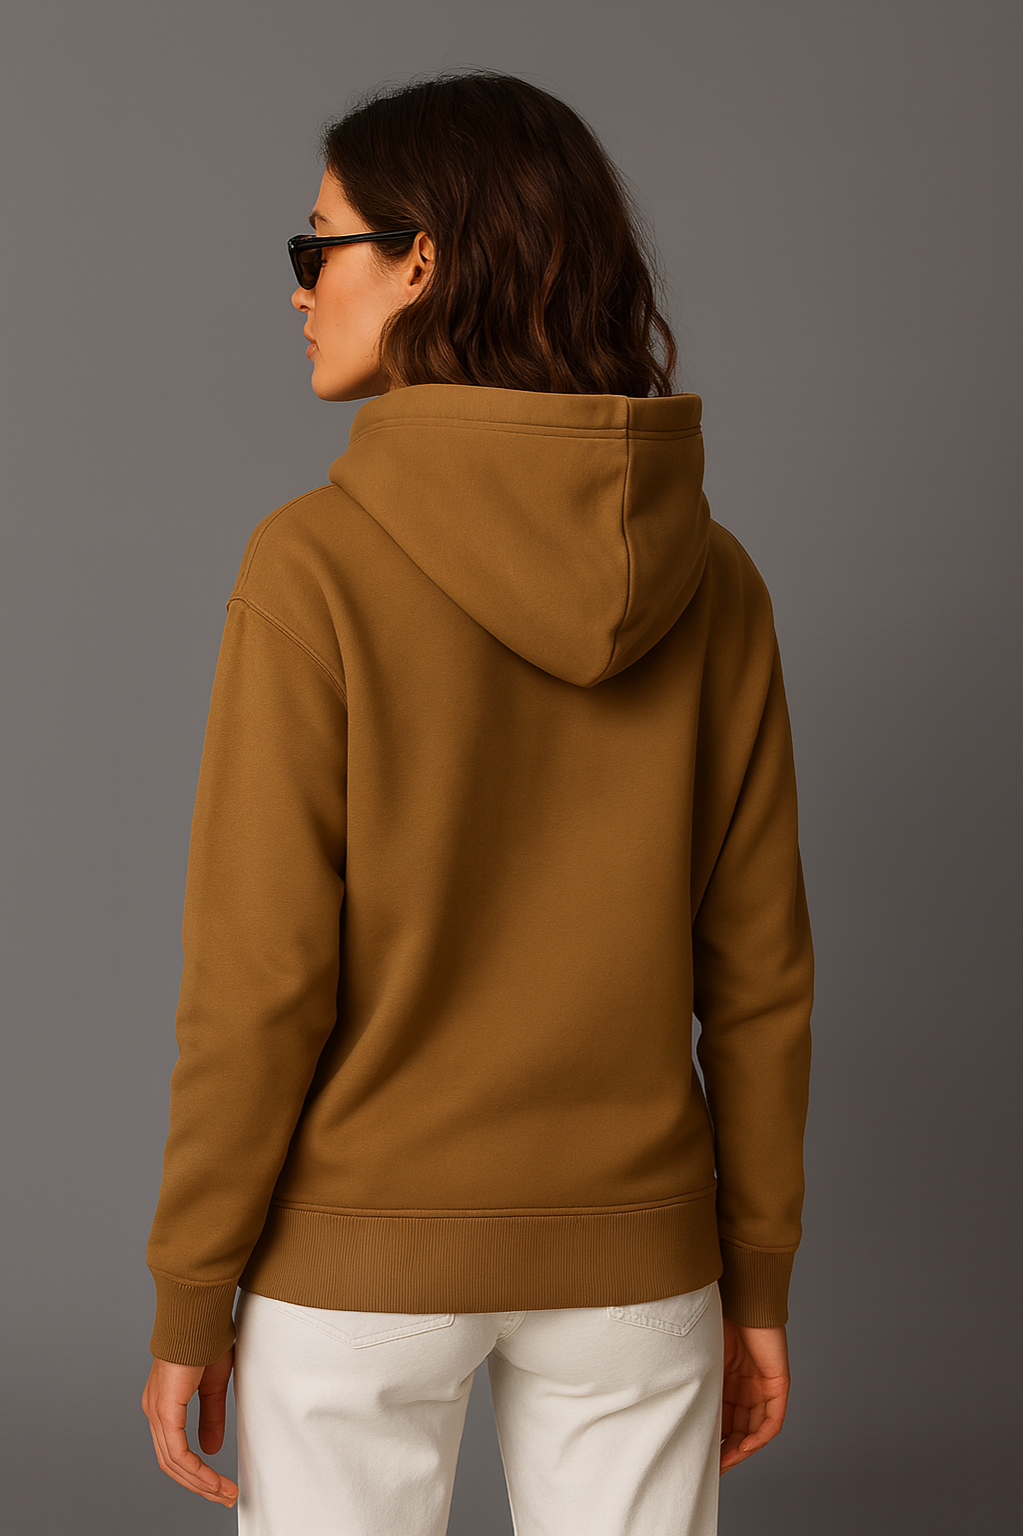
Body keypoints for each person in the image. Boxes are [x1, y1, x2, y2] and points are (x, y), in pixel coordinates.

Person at [140, 68, 814, 1536]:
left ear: (422, 262)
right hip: (640, 1258)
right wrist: (756, 1277)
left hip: (357, 1260)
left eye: (319, 244)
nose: (300, 288)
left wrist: (193, 1287)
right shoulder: (717, 581)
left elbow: (259, 981)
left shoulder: (311, 566)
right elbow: (760, 976)